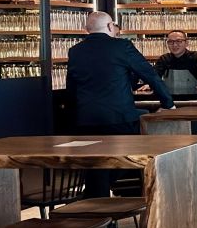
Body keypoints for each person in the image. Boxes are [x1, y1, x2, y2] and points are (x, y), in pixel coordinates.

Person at [67, 11, 175, 197]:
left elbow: (72, 87)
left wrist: (73, 115)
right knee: (129, 157)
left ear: (86, 29)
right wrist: (168, 102)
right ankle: (98, 208)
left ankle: (94, 207)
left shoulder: (75, 51)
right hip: (118, 116)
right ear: (110, 27)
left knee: (97, 165)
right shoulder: (122, 46)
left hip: (87, 119)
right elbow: (149, 74)